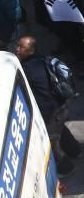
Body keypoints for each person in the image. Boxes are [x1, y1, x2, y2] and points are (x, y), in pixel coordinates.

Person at [16, 35, 80, 176]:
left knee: (51, 139)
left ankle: (66, 168)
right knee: (60, 129)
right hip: (60, 105)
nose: (17, 50)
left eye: (22, 48)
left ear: (31, 51)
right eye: (18, 46)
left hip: (50, 110)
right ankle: (76, 150)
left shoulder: (27, 69)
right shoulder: (42, 60)